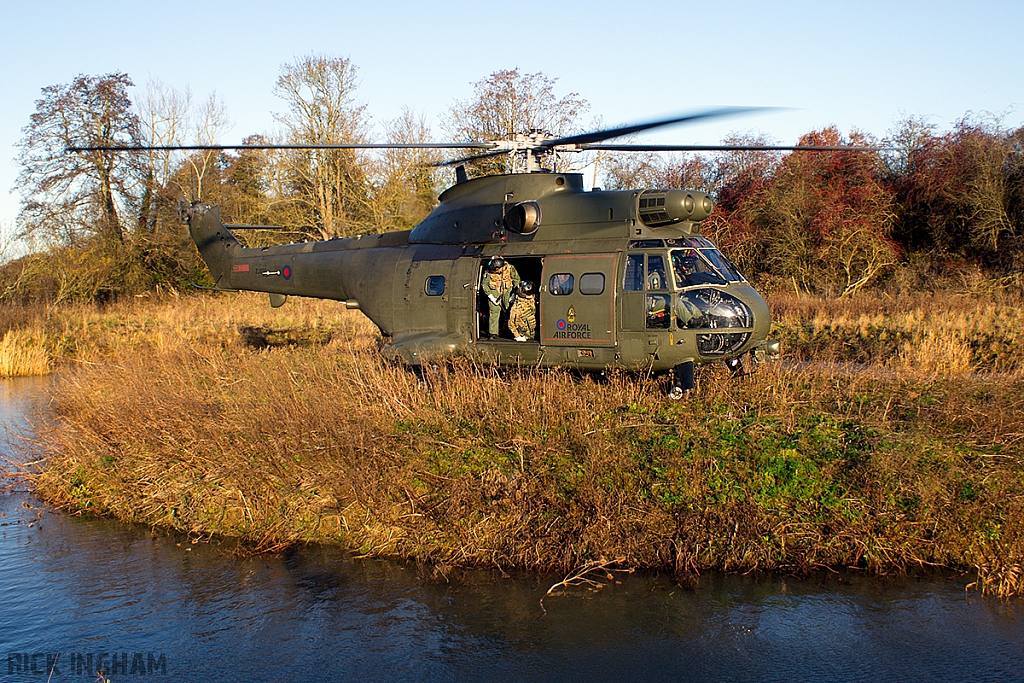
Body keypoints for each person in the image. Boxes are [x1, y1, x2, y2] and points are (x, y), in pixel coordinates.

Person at [481, 257, 521, 337]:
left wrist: (514, 293)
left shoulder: (510, 268)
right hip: (494, 291)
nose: (497, 272)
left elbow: (517, 280)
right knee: (494, 311)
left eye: (497, 270)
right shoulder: (488, 271)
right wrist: (490, 296)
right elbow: (484, 284)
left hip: (507, 290)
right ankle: (493, 333)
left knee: (510, 309)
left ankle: (512, 331)